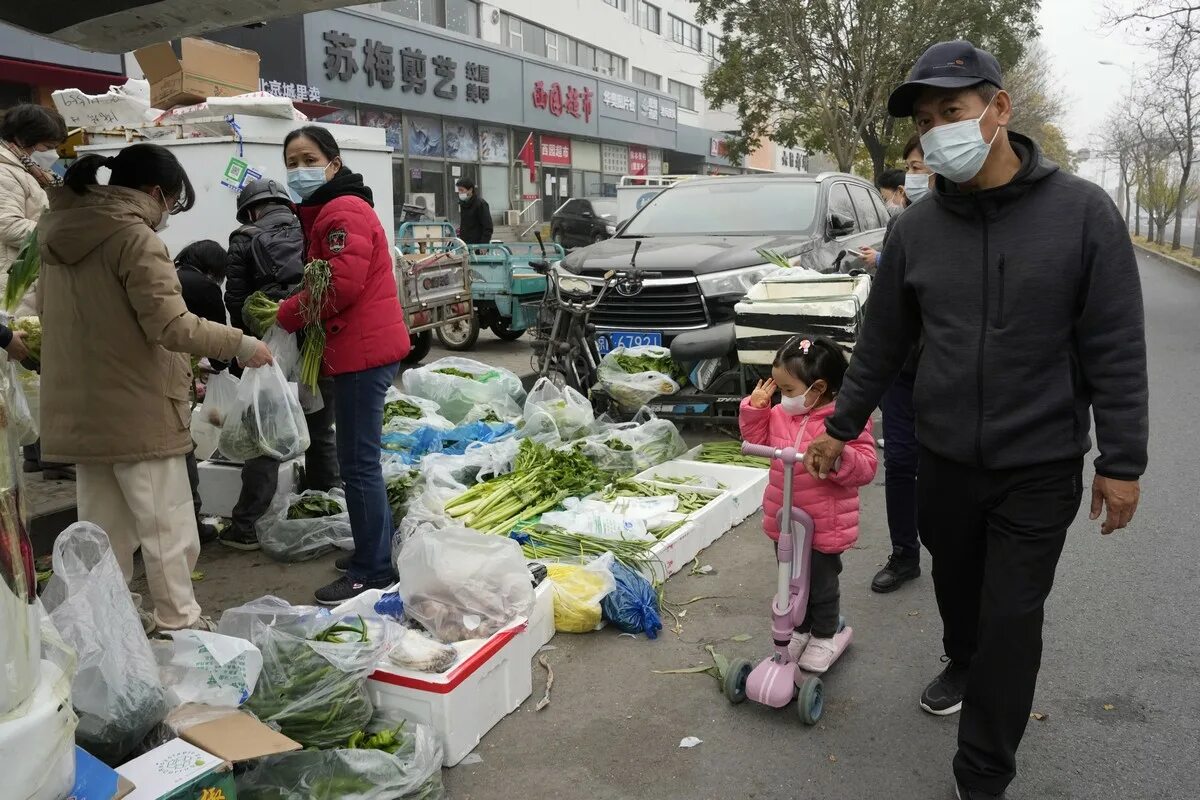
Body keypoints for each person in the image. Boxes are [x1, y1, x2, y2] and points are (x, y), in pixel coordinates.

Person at [804, 40, 1148, 799]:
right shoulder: (916, 231)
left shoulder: (1082, 214)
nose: (936, 133)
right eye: (926, 122)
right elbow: (884, 340)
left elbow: (1115, 345)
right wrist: (838, 425)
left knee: (1013, 621)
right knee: (958, 587)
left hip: (1040, 464)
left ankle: (982, 773)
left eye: (950, 112)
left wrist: (1121, 462)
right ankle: (961, 652)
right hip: (945, 457)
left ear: (998, 109)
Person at [37, 143, 273, 633]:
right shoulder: (133, 238)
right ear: (156, 193)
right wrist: (241, 343)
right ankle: (178, 621)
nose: (169, 214)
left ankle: (111, 625)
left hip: (83, 409)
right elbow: (171, 325)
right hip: (136, 408)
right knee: (167, 526)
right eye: (175, 203)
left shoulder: (59, 234)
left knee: (104, 532)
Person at [276, 126, 409, 604]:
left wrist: (286, 313)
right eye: (290, 162)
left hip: (361, 353)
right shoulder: (336, 208)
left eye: (307, 159)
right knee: (360, 463)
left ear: (332, 162)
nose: (298, 170)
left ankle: (372, 570)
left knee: (357, 465)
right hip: (360, 349)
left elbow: (339, 288)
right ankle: (371, 551)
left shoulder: (343, 211)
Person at [738, 336, 878, 672]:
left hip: (824, 521)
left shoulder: (843, 423)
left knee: (820, 582)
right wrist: (755, 409)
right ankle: (800, 628)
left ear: (817, 388)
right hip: (784, 518)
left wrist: (838, 458)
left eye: (788, 390)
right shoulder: (778, 416)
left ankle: (825, 633)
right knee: (788, 579)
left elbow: (866, 465)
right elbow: (754, 441)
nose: (782, 398)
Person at [221, 177, 341, 551]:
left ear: (251, 209)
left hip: (271, 345)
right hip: (316, 339)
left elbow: (237, 299)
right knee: (321, 427)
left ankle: (247, 526)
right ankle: (326, 508)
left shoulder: (243, 237)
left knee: (265, 433)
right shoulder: (307, 226)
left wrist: (247, 347)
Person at [857, 135, 934, 594]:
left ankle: (957, 552)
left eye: (924, 166)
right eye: (912, 167)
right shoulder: (903, 224)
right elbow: (888, 311)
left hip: (951, 376)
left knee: (947, 470)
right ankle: (905, 554)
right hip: (903, 371)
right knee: (902, 461)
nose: (916, 176)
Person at [0, 104, 71, 480]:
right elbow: (8, 225)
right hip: (14, 284)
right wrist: (58, 233)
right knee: (33, 370)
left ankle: (40, 453)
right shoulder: (4, 172)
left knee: (33, 372)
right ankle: (50, 454)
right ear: (24, 140)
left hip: (28, 282)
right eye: (46, 143)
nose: (51, 151)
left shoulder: (26, 169)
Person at [175, 239, 230, 545]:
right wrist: (223, 366)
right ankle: (192, 524)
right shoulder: (204, 287)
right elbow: (219, 340)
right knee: (182, 447)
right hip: (169, 379)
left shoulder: (171, 273)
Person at [454, 177, 493, 244]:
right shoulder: (463, 203)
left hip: (478, 244)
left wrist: (484, 244)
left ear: (470, 190)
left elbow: (488, 226)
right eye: (459, 190)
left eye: (462, 190)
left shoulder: (481, 204)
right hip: (465, 243)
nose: (460, 193)